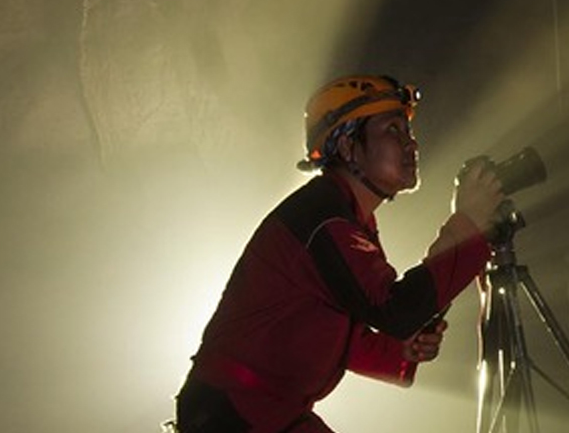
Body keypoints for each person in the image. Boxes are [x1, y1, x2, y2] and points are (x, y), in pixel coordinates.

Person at [171, 74, 505, 433]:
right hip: (234, 415)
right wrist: (469, 224)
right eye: (393, 130)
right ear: (347, 148)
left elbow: (333, 329)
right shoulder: (323, 217)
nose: (411, 144)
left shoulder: (348, 217)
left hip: (262, 413)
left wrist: (399, 352)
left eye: (408, 132)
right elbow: (395, 309)